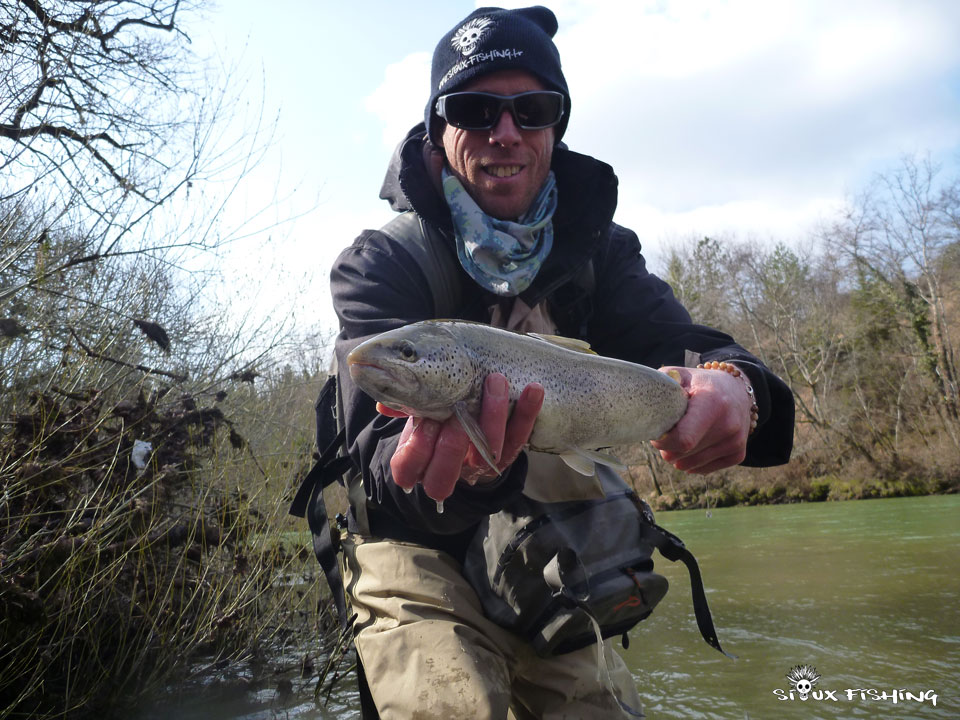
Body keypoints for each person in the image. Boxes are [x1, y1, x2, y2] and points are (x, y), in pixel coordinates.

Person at [330, 6, 794, 719]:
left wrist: (739, 387)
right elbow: (374, 466)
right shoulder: (381, 264)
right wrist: (462, 469)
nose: (505, 132)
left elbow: (680, 343)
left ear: (556, 126)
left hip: (551, 551)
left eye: (533, 109)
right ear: (437, 130)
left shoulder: (599, 250)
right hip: (416, 550)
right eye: (474, 109)